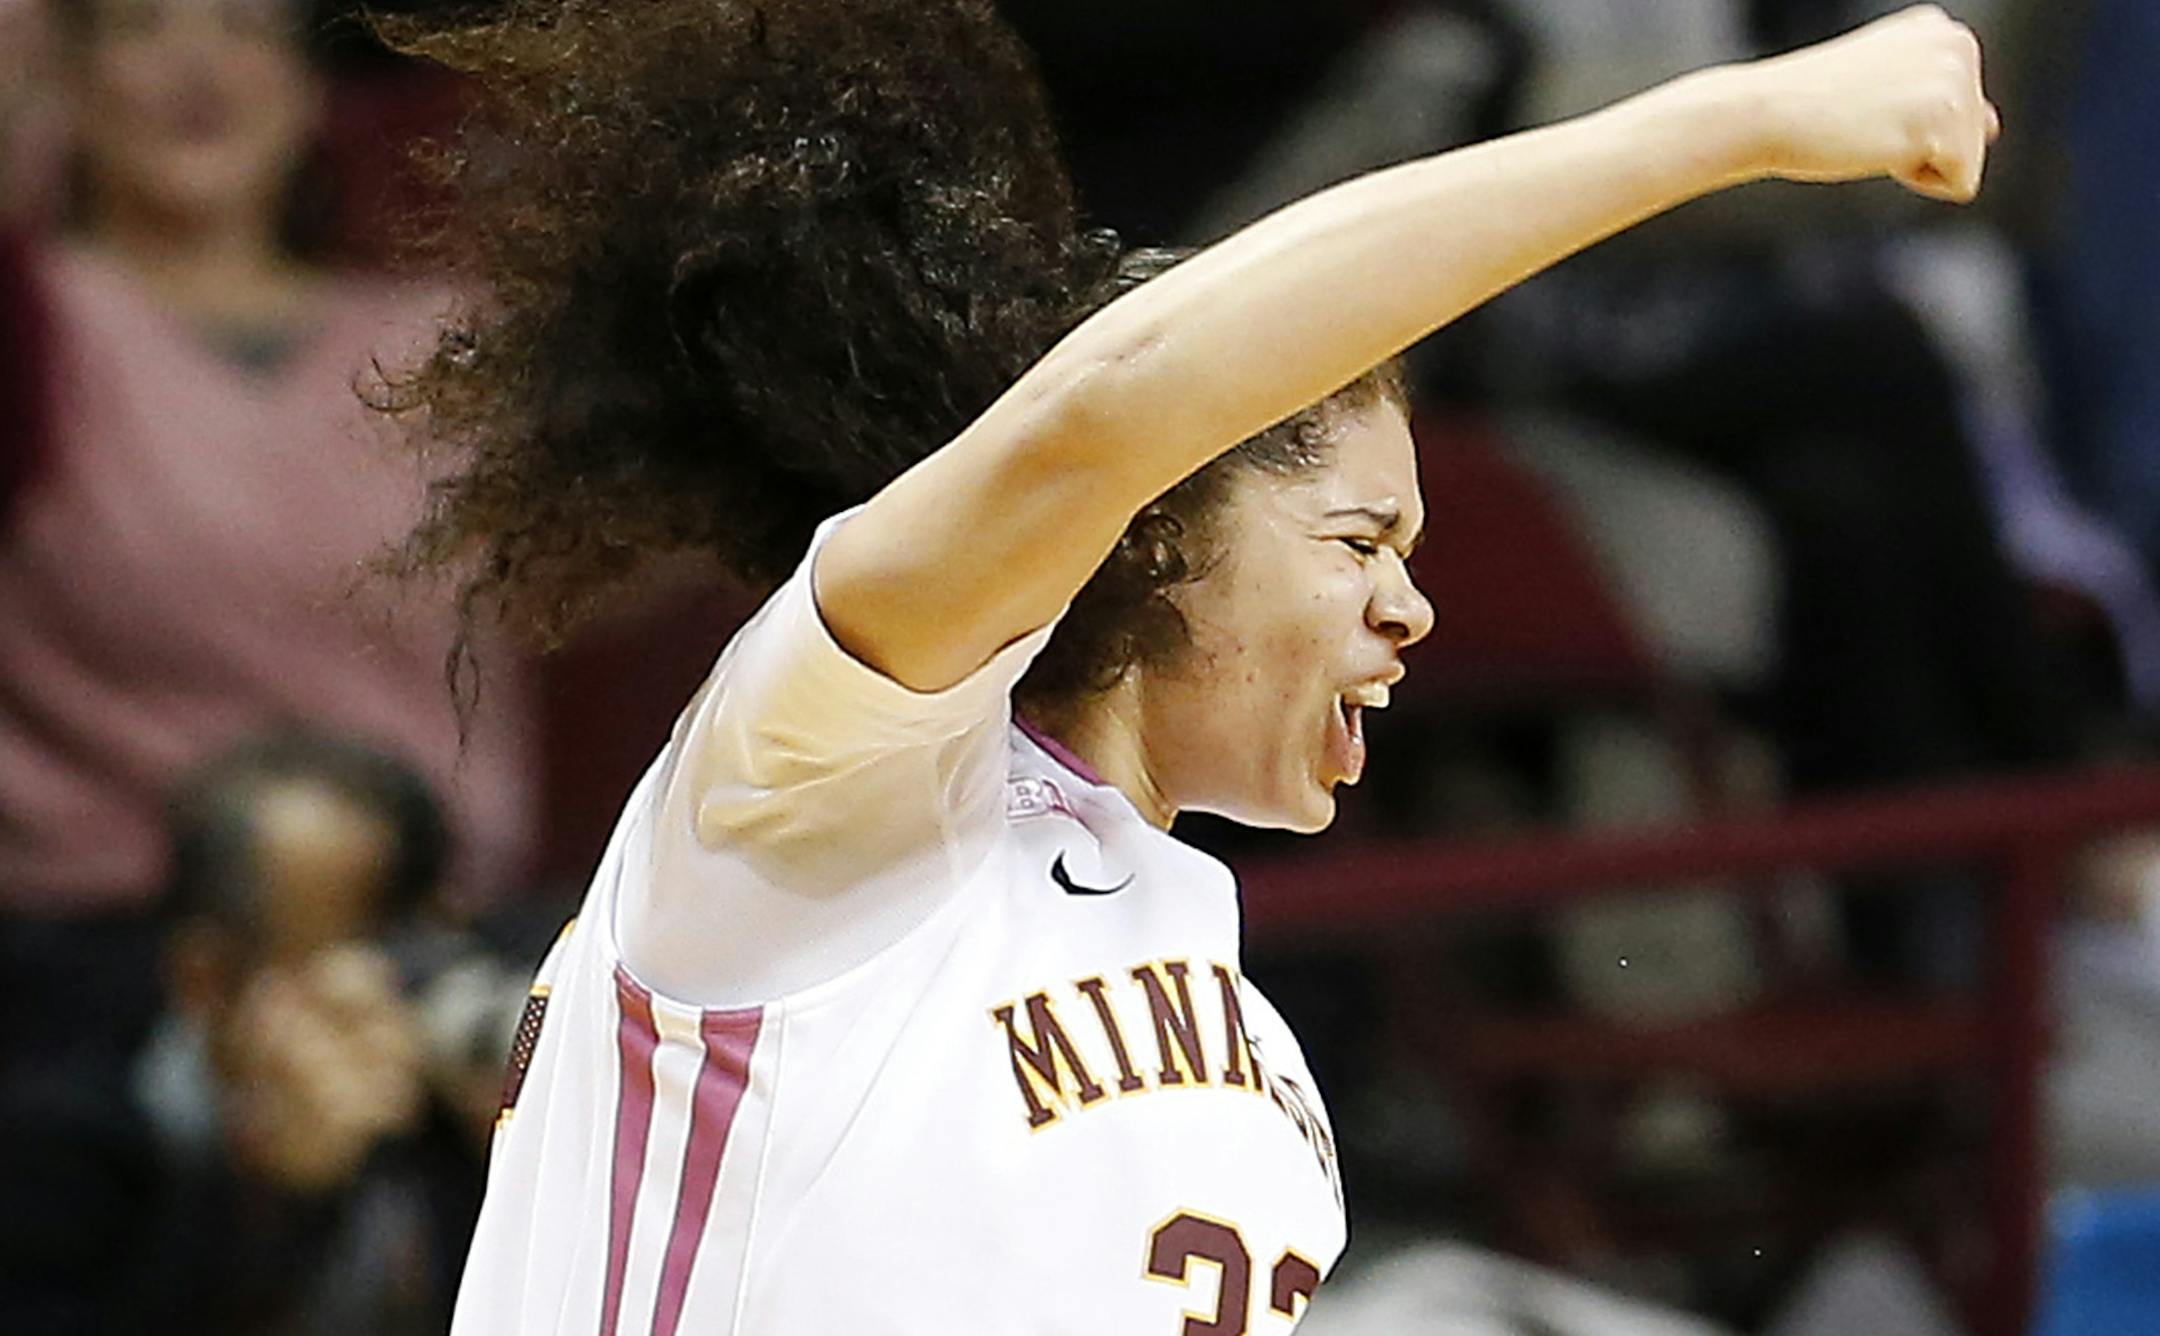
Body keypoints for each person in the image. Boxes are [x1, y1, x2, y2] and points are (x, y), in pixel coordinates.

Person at [379, 2, 1998, 1330]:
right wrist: (1741, 119)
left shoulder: (1253, 1048)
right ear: (1153, 530)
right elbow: (1109, 411)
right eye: (1361, 540)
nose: (1412, 611)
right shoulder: (820, 789)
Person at [0, 0, 535, 1085]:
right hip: (108, 975)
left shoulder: (444, 339)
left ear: (309, 86)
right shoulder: (35, 327)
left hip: (435, 951)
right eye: (142, 28)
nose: (197, 64)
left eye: (246, 26)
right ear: (68, 80)